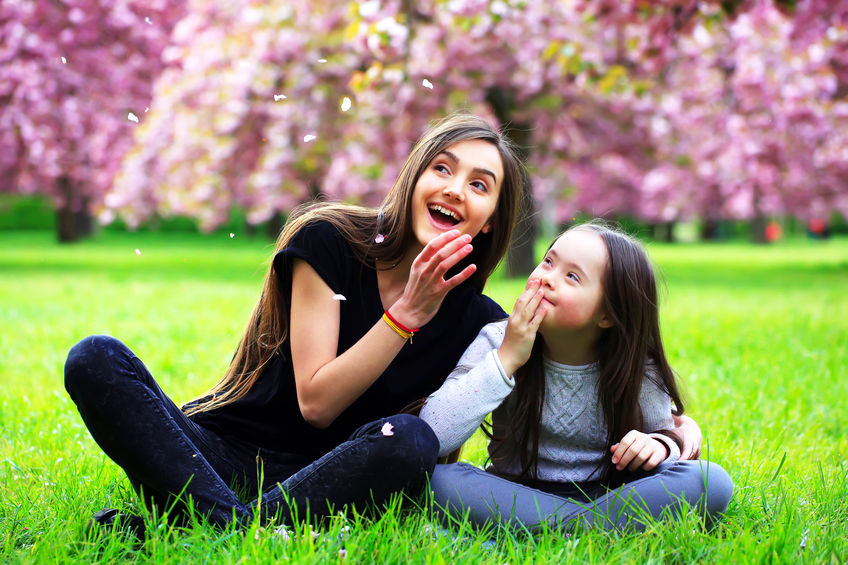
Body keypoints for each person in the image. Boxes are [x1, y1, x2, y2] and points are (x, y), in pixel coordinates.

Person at [63, 114, 526, 532]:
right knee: (95, 358)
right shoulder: (330, 240)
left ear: (488, 222)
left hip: (336, 482)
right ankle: (239, 530)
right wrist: (405, 316)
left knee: (410, 440)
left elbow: (542, 417)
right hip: (223, 455)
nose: (454, 189)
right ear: (414, 178)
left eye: (479, 185)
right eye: (442, 168)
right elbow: (317, 401)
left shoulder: (481, 323)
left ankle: (207, 526)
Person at [420, 221, 733, 532]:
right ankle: (594, 530)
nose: (547, 279)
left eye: (571, 276)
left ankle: (558, 528)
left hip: (608, 493)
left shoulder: (635, 365)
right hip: (514, 493)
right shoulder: (498, 340)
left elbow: (666, 441)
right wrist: (507, 359)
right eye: (548, 262)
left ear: (608, 314)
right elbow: (434, 432)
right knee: (436, 481)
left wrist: (657, 445)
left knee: (710, 481)